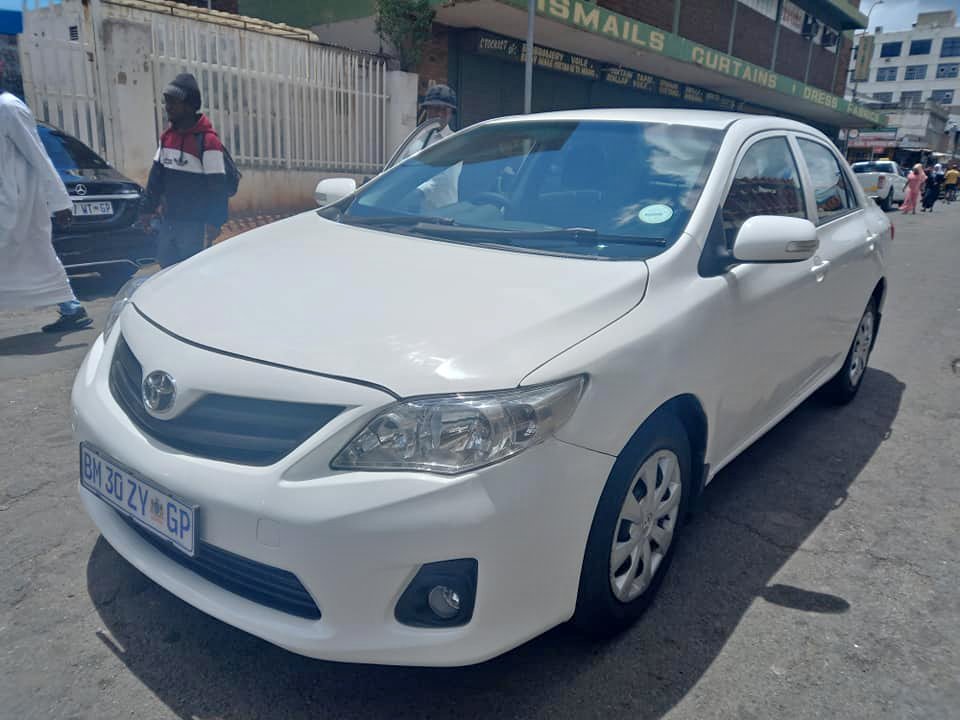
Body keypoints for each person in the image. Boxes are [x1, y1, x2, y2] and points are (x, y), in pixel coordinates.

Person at [0, 88, 92, 332]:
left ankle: (71, 307)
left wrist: (60, 201)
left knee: (39, 255)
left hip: (17, 203)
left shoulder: (9, 108)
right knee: (38, 257)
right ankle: (71, 308)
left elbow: (38, 155)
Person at [142, 73, 228, 267]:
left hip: (195, 226)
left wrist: (215, 221)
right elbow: (156, 178)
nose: (168, 107)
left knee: (192, 274)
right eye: (167, 102)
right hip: (168, 221)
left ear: (189, 105)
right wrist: (147, 210)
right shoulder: (167, 138)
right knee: (166, 272)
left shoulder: (208, 141)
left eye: (174, 102)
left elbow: (218, 187)